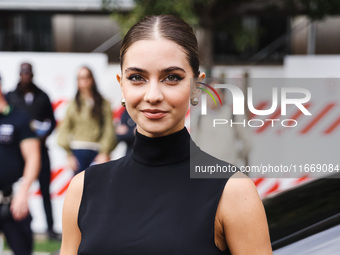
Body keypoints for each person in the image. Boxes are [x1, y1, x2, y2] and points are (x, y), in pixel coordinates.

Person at [60, 15, 272, 254]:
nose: (153, 95)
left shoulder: (233, 191)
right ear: (122, 85)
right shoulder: (83, 188)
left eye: (171, 77)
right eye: (137, 78)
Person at [6, 63, 58, 240]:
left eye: (28, 72)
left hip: (39, 149)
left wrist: (43, 134)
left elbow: (52, 121)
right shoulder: (11, 97)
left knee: (45, 190)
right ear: (19, 74)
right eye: (23, 72)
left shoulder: (42, 96)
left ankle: (50, 228)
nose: (25, 76)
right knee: (11, 190)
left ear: (32, 74)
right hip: (17, 153)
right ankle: (11, 225)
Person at [0, 74, 41, 255]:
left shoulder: (18, 117)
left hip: (11, 202)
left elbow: (33, 157)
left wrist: (23, 192)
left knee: (23, 250)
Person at [57, 66, 117, 174]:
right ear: (77, 81)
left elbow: (109, 128)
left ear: (92, 79)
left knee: (98, 187)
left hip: (97, 151)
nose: (84, 81)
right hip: (78, 150)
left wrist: (105, 152)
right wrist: (68, 154)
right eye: (81, 78)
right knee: (79, 187)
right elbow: (64, 128)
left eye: (86, 77)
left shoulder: (103, 104)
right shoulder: (73, 104)